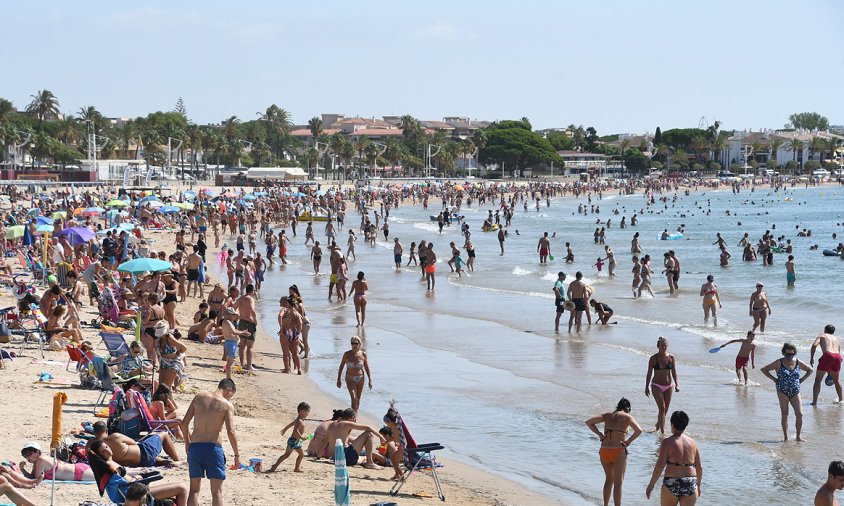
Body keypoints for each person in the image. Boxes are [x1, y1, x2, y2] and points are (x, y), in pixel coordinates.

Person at [180, 378, 240, 506]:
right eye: (231, 396)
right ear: (229, 390)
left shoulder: (199, 397)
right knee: (217, 492)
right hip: (213, 449)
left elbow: (184, 423)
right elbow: (231, 431)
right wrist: (237, 455)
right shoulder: (227, 405)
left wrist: (187, 443)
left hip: (195, 448)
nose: (230, 399)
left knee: (194, 491)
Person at [88, 440, 188, 506]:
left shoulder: (108, 465)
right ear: (100, 456)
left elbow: (124, 477)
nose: (107, 450)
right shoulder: (111, 466)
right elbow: (127, 484)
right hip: (132, 495)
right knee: (181, 488)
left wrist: (140, 474)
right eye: (103, 451)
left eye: (106, 447)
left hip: (130, 492)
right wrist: (137, 477)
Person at [585, 398, 643, 506]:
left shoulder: (607, 415)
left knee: (608, 480)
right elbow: (639, 430)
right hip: (618, 451)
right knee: (618, 483)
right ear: (627, 408)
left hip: (604, 451)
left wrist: (600, 435)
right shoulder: (627, 416)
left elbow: (589, 422)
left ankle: (605, 505)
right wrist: (629, 441)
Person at [645, 411, 702, 504]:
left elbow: (660, 466)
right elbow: (699, 467)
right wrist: (698, 485)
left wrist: (651, 485)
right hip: (690, 482)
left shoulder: (667, 442)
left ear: (672, 424)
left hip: (672, 481)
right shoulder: (693, 443)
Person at [760, 342, 813, 441]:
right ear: (783, 353)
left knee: (800, 414)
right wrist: (774, 379)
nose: (789, 356)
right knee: (785, 413)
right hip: (782, 391)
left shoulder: (797, 362)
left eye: (792, 354)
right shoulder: (779, 362)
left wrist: (802, 380)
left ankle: (798, 436)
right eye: (787, 354)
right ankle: (785, 437)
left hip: (795, 391)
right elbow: (764, 369)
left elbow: (810, 370)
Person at [316, 408, 386, 470]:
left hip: (336, 459)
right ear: (351, 418)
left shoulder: (332, 424)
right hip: (346, 457)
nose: (355, 422)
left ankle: (366, 460)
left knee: (363, 455)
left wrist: (318, 456)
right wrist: (381, 437)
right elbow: (368, 428)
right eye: (355, 420)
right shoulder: (346, 424)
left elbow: (324, 441)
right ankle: (370, 463)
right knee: (368, 433)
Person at [645, 337, 679, 433]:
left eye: (665, 346)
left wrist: (677, 384)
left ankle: (658, 423)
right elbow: (649, 373)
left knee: (665, 409)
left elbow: (674, 372)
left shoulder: (671, 358)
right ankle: (662, 432)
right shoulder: (653, 358)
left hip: (668, 386)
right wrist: (646, 386)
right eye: (661, 346)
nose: (663, 347)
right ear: (658, 346)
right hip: (656, 385)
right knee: (662, 408)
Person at [265, 402, 309, 473]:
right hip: (293, 441)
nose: (308, 414)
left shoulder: (299, 419)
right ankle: (274, 466)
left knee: (301, 454)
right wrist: (302, 438)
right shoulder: (299, 421)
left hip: (296, 441)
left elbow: (291, 424)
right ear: (302, 412)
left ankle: (296, 468)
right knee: (286, 455)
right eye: (307, 412)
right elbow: (295, 431)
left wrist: (285, 429)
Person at [19, 441, 93, 482]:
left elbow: (35, 479)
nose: (28, 457)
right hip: (79, 470)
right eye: (25, 456)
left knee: (103, 477)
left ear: (37, 451)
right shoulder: (38, 460)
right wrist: (22, 469)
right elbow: (32, 476)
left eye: (30, 454)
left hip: (79, 472)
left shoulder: (41, 460)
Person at [336, 336, 372, 412]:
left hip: (360, 379)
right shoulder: (347, 354)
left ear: (359, 344)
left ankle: (354, 416)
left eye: (356, 343)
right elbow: (341, 366)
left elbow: (366, 367)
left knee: (358, 399)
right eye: (352, 343)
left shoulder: (363, 354)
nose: (354, 345)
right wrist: (338, 379)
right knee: (353, 397)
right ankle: (352, 416)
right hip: (350, 378)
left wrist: (370, 380)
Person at [810, 325, 843, 405]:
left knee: (818, 380)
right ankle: (841, 400)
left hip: (828, 355)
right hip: (838, 356)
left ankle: (814, 402)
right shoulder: (836, 339)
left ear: (825, 330)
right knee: (837, 380)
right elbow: (837, 351)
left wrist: (811, 358)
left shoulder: (822, 335)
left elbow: (814, 345)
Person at [234, 284, 257, 371]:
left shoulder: (240, 299)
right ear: (252, 291)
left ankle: (242, 363)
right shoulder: (250, 299)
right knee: (250, 346)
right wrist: (255, 320)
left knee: (242, 345)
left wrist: (239, 317)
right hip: (249, 323)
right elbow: (252, 310)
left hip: (242, 322)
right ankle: (249, 366)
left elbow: (233, 308)